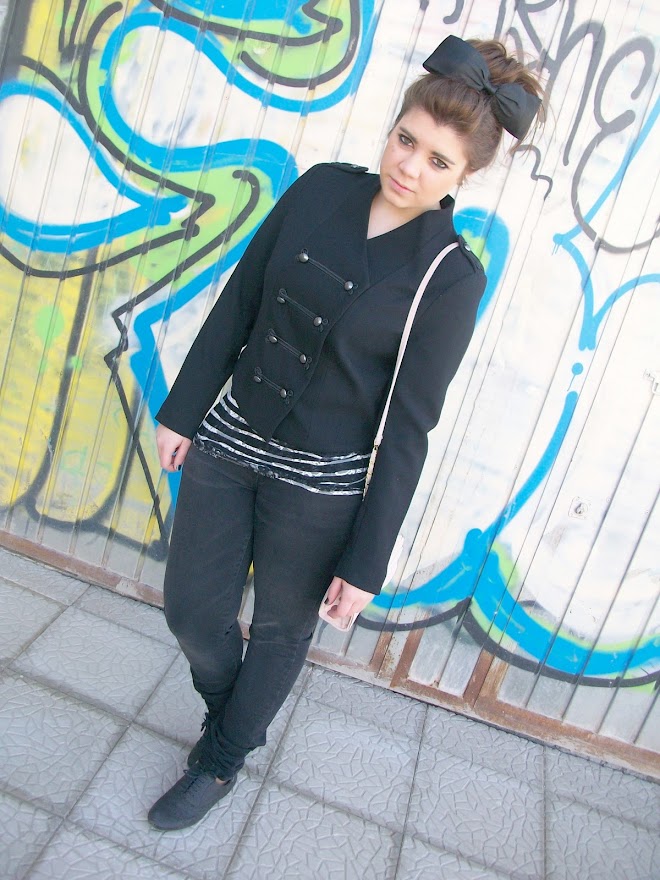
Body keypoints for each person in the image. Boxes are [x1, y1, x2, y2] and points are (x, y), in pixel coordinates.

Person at [147, 35, 543, 831]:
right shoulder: (321, 190)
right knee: (191, 612)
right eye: (406, 140)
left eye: (437, 160)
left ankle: (219, 760)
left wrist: (366, 564)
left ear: (464, 176)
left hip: (320, 488)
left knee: (280, 631)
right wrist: (183, 410)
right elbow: (241, 299)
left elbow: (408, 432)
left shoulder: (449, 277)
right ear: (392, 128)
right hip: (230, 441)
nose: (410, 167)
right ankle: (233, 718)